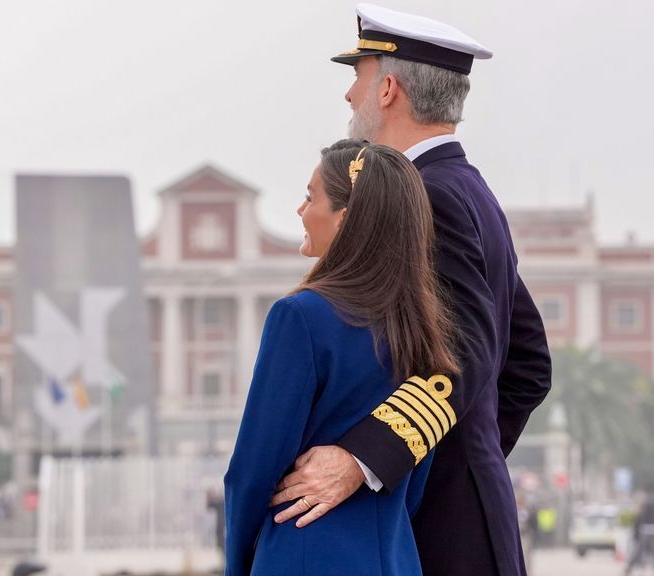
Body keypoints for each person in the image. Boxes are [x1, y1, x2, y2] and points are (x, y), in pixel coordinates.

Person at [269, 5, 552, 576]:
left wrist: (364, 459)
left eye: (359, 76)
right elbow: (527, 362)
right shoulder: (471, 189)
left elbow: (466, 350)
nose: (350, 96)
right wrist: (471, 456)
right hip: (468, 513)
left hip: (441, 529)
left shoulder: (428, 196)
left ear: (390, 88)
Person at [224, 139, 462, 575]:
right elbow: (414, 469)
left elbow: (253, 469)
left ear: (346, 221)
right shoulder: (420, 325)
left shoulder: (299, 316)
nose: (301, 209)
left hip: (300, 553)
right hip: (394, 555)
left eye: (311, 196)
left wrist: (240, 561)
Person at [625, 485, 654, 575]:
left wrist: (636, 531)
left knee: (638, 550)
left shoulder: (646, 503)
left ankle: (629, 568)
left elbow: (641, 518)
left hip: (646, 530)